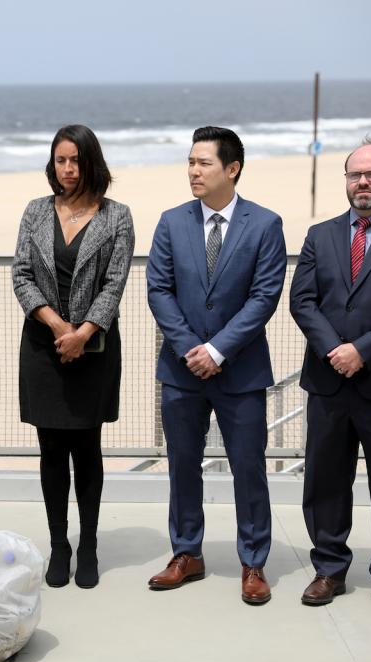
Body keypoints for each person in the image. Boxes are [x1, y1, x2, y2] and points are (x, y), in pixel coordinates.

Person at [146, 126, 286, 604]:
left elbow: (265, 296)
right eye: (189, 162)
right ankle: (187, 553)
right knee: (183, 466)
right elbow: (159, 290)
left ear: (232, 168)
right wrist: (192, 349)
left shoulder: (265, 224)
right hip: (181, 371)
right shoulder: (170, 221)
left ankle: (253, 561)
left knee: (249, 468)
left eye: (203, 163)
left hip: (241, 371)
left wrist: (219, 350)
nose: (193, 171)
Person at [289, 139, 371, 618]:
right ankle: (329, 569)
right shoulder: (320, 236)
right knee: (324, 480)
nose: (363, 182)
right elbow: (303, 301)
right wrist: (334, 350)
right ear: (346, 180)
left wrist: (362, 350)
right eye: (354, 174)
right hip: (328, 382)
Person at [12, 125, 134, 589]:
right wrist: (59, 327)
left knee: (87, 450)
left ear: (92, 164)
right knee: (50, 452)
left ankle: (89, 546)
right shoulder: (34, 211)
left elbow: (115, 283)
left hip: (94, 347)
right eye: (61, 160)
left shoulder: (116, 216)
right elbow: (22, 275)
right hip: (43, 344)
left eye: (76, 161)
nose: (68, 169)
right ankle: (59, 544)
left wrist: (82, 332)